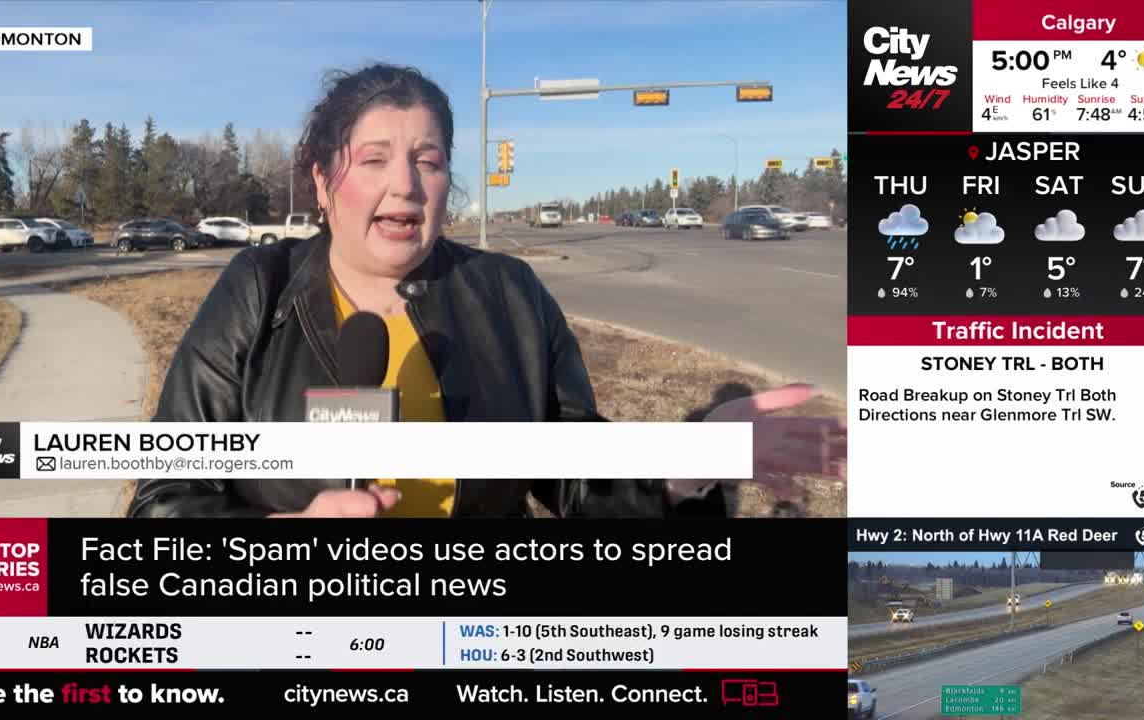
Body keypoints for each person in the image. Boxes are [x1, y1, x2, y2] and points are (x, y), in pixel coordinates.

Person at [126, 63, 844, 520]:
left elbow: (574, 478)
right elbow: (165, 498)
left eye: (428, 161)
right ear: (322, 180)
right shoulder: (261, 289)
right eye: (373, 159)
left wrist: (680, 473)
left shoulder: (507, 294)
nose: (405, 185)